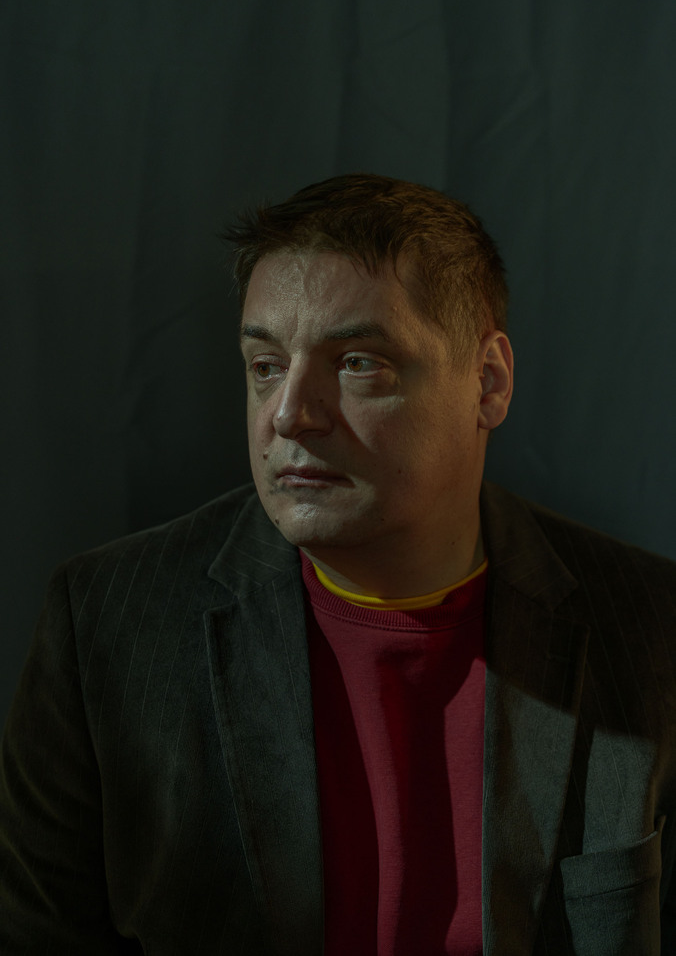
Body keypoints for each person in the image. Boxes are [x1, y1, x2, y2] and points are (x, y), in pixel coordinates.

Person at [1, 174, 675, 956]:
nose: (289, 414)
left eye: (358, 362)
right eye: (265, 365)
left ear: (487, 383)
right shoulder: (108, 624)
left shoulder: (653, 630)